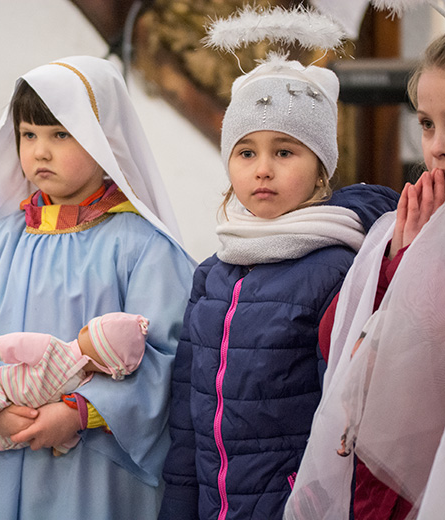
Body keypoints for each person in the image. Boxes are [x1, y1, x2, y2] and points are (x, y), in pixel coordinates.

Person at [0, 55, 197, 519]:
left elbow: (164, 355)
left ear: (103, 138)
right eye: (28, 134)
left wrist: (79, 411)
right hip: (3, 454)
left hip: (96, 467)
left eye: (61, 134)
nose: (40, 152)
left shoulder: (145, 249)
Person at [158, 56, 399, 520]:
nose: (262, 169)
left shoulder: (336, 270)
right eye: (246, 152)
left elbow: (345, 421)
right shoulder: (213, 273)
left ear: (321, 168)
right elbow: (186, 421)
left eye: (284, 152)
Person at [285, 33, 445, 520]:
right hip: (379, 487)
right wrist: (397, 259)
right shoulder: (406, 227)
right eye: (427, 124)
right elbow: (336, 342)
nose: (437, 148)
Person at [0, 312, 149, 455]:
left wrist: (72, 421)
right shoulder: (53, 348)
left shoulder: (85, 383)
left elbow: (72, 415)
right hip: (10, 385)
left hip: (40, 414)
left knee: (27, 434)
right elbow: (22, 344)